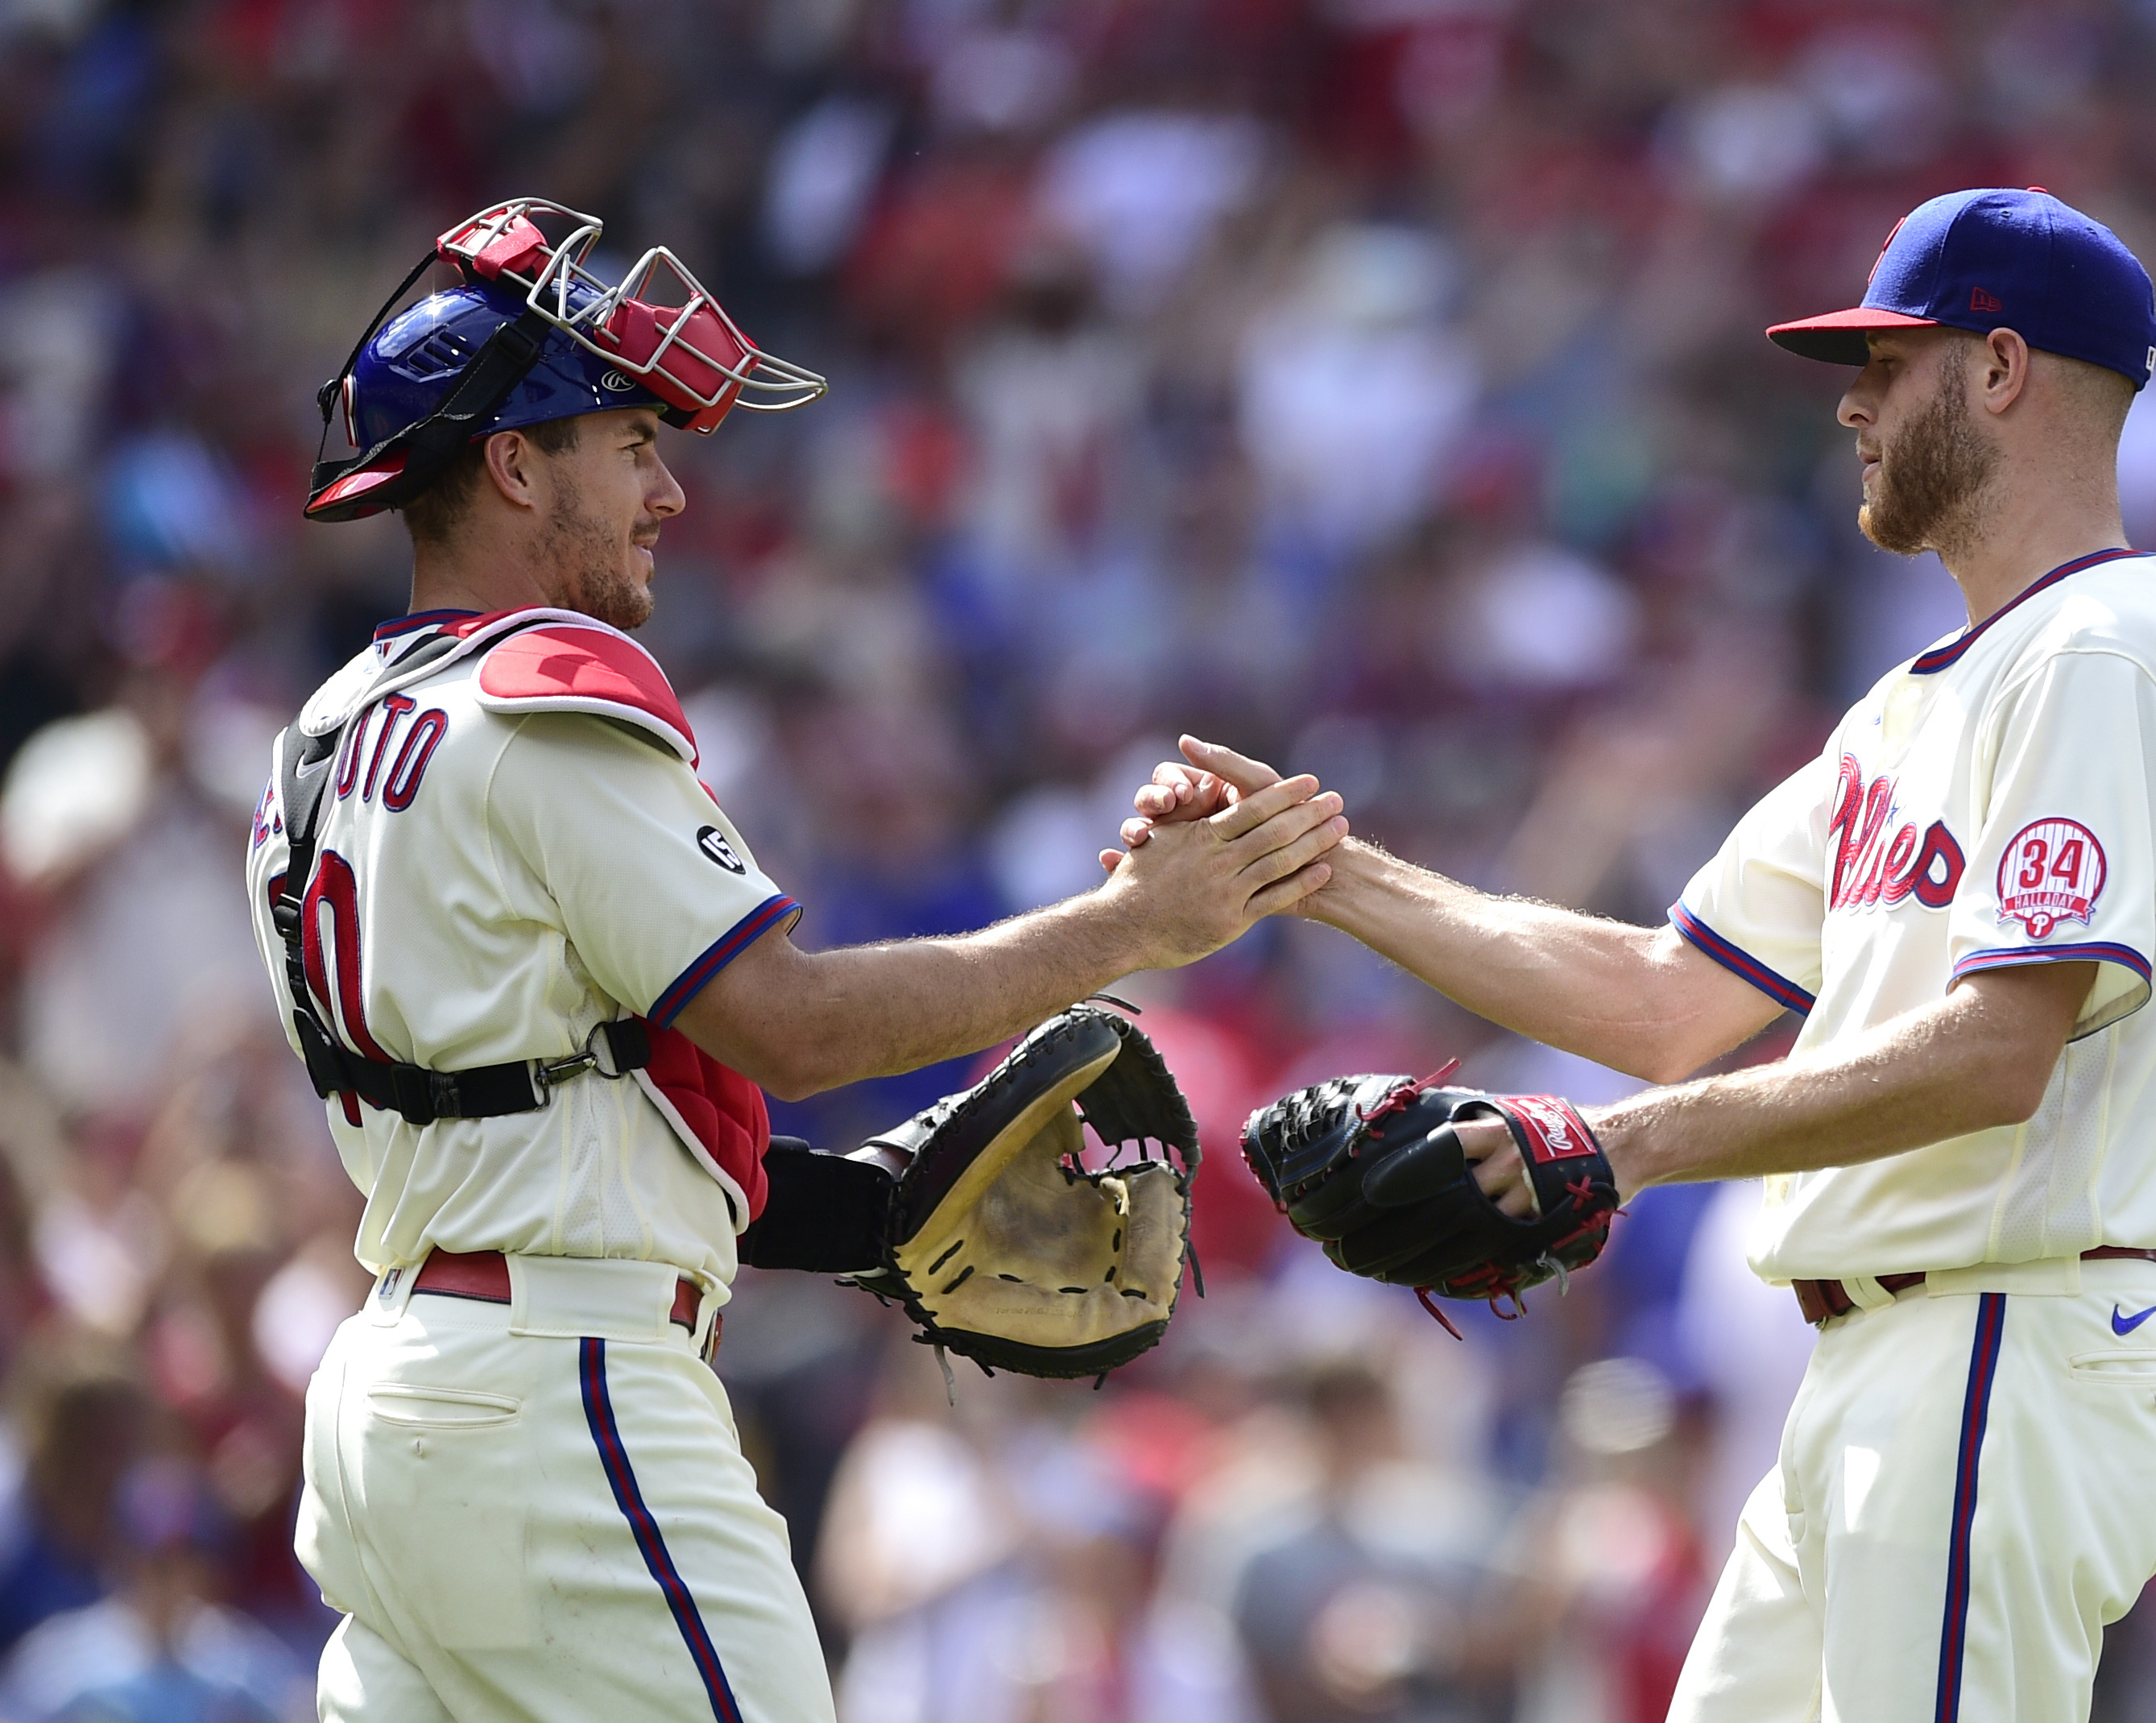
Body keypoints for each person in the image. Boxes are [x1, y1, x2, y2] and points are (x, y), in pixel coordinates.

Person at [1113, 188, 2156, 1722]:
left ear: (1997, 371)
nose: (1848, 403)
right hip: (1880, 1358)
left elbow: (1996, 1052)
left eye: (1885, 364)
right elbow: (1662, 999)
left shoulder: (2097, 656)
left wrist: (1615, 1152)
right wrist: (1320, 871)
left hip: (2006, 1339)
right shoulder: (1919, 701)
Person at [244, 202, 1346, 1722]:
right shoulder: (543, 700)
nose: (669, 490)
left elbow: (537, 1090)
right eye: (630, 442)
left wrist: (856, 1206)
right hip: (567, 1401)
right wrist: (1132, 927)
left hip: (398, 1405)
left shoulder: (324, 735)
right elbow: (792, 1027)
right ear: (513, 463)